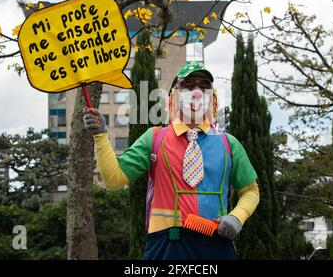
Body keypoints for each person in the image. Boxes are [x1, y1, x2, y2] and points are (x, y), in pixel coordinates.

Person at [83, 62, 259, 260]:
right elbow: (113, 178)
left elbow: (250, 190)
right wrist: (100, 135)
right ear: (174, 94)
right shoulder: (155, 137)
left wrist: (237, 216)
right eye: (189, 85)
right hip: (166, 246)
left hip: (216, 242)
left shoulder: (228, 143)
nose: (197, 92)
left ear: (212, 96)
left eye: (204, 87)